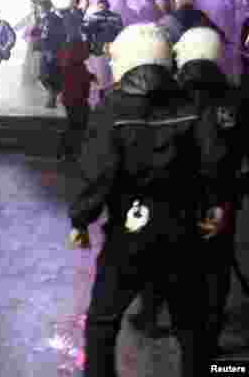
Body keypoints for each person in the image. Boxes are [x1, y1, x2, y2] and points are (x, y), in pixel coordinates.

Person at [68, 23, 226, 377]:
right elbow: (212, 162)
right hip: (183, 230)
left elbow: (98, 175)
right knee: (191, 325)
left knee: (103, 321)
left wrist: (80, 220)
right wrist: (214, 206)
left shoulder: (111, 109)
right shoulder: (191, 104)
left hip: (129, 234)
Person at [130, 28, 243, 354]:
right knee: (216, 266)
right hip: (221, 198)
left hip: (174, 196)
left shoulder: (167, 96)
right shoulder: (237, 98)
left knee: (161, 257)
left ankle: (151, 316)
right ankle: (208, 337)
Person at [57, 39, 95, 161]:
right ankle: (69, 152)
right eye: (86, 51)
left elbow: (83, 75)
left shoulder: (72, 64)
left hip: (73, 99)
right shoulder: (75, 65)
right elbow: (80, 78)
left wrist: (91, 77)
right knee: (76, 126)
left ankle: (65, 151)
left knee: (73, 125)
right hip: (76, 100)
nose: (88, 54)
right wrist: (91, 77)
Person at [83, 0, 124, 108]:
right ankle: (104, 100)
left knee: (105, 76)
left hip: (104, 50)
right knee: (107, 76)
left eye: (102, 6)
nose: (102, 9)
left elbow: (87, 32)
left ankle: (104, 100)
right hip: (106, 50)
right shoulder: (115, 17)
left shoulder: (97, 16)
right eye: (101, 7)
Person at [36, 0, 66, 109]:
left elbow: (58, 35)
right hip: (45, 50)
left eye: (39, 6)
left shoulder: (54, 18)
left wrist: (52, 51)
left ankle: (52, 98)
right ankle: (54, 96)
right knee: (43, 76)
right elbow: (42, 34)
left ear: (44, 7)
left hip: (51, 51)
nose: (38, 8)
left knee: (49, 75)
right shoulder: (43, 19)